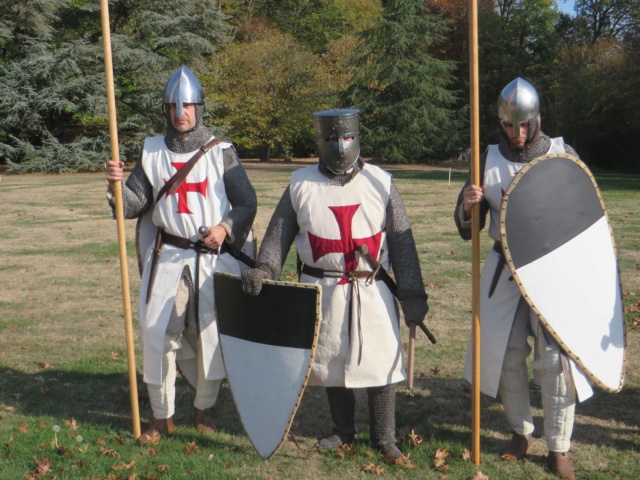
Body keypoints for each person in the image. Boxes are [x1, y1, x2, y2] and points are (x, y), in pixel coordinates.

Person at [241, 109, 429, 461]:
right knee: (331, 360)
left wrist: (413, 293)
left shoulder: (380, 182)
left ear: (357, 135)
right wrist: (265, 268)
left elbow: (402, 246)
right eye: (330, 138)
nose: (339, 145)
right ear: (319, 139)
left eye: (345, 136)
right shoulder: (300, 184)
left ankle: (384, 436)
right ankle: (343, 430)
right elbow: (278, 237)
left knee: (379, 360)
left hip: (371, 288)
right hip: (322, 288)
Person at [105, 65, 257, 444]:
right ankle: (161, 417)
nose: (181, 113)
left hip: (211, 259)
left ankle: (204, 408)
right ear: (166, 110)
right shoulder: (152, 150)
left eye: (188, 106)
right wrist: (114, 186)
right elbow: (134, 204)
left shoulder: (222, 152)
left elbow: (246, 202)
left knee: (211, 334)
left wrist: (224, 228)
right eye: (174, 106)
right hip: (168, 258)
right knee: (157, 334)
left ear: (199, 108)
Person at [455, 78, 590, 479]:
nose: (517, 134)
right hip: (504, 269)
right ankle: (520, 433)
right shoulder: (487, 157)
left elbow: (583, 216)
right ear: (501, 122)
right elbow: (468, 228)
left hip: (551, 271)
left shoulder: (562, 154)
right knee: (507, 355)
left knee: (554, 361)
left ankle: (558, 448)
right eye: (510, 126)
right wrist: (468, 205)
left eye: (525, 125)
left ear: (537, 119)